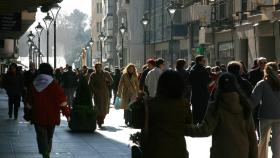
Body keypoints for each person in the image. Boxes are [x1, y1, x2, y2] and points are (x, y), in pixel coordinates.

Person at [186, 72, 257, 158]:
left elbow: (205, 130)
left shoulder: (215, 107)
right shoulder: (244, 105)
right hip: (242, 151)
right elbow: (252, 137)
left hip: (221, 152)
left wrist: (183, 128)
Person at [25, 63, 70, 158]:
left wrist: (27, 114)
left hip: (38, 115)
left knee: (41, 135)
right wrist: (67, 114)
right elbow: (62, 101)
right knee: (49, 136)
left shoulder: (34, 85)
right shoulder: (55, 85)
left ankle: (45, 153)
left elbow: (29, 102)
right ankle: (47, 152)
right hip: (52, 116)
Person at [144, 70, 192, 158]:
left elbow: (141, 123)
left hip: (156, 148)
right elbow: (189, 123)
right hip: (178, 148)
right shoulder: (184, 103)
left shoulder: (152, 103)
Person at [251, 62, 280, 158]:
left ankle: (262, 156)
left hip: (265, 115)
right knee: (277, 140)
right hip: (279, 115)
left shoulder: (262, 83)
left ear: (265, 71)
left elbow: (254, 101)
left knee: (263, 140)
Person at [89, 63, 113, 128]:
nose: (99, 68)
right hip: (97, 94)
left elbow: (111, 81)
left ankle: (101, 120)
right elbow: (91, 84)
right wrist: (95, 91)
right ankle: (99, 121)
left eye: (100, 67)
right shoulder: (93, 75)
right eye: (98, 67)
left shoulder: (106, 73)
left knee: (105, 109)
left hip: (105, 93)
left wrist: (107, 81)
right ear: (95, 68)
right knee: (98, 108)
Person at [189, 55, 211, 124]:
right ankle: (201, 124)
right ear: (200, 61)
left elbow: (190, 81)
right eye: (203, 61)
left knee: (195, 110)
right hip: (203, 93)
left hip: (195, 93)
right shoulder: (203, 70)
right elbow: (207, 81)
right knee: (203, 110)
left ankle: (195, 123)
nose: (204, 62)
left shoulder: (192, 69)